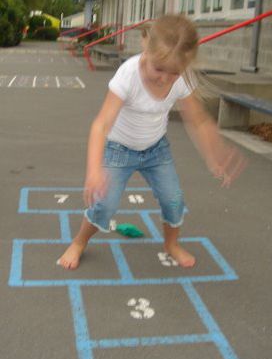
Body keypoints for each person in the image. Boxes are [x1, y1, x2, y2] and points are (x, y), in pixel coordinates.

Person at [58, 14, 246, 270]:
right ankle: (79, 242)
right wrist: (93, 171)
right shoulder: (128, 75)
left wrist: (214, 154)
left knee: (174, 199)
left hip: (156, 150)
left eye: (174, 73)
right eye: (158, 68)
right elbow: (100, 124)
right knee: (104, 204)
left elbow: (199, 121)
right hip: (119, 151)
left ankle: (171, 244)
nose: (164, 79)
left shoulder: (180, 79)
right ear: (145, 46)